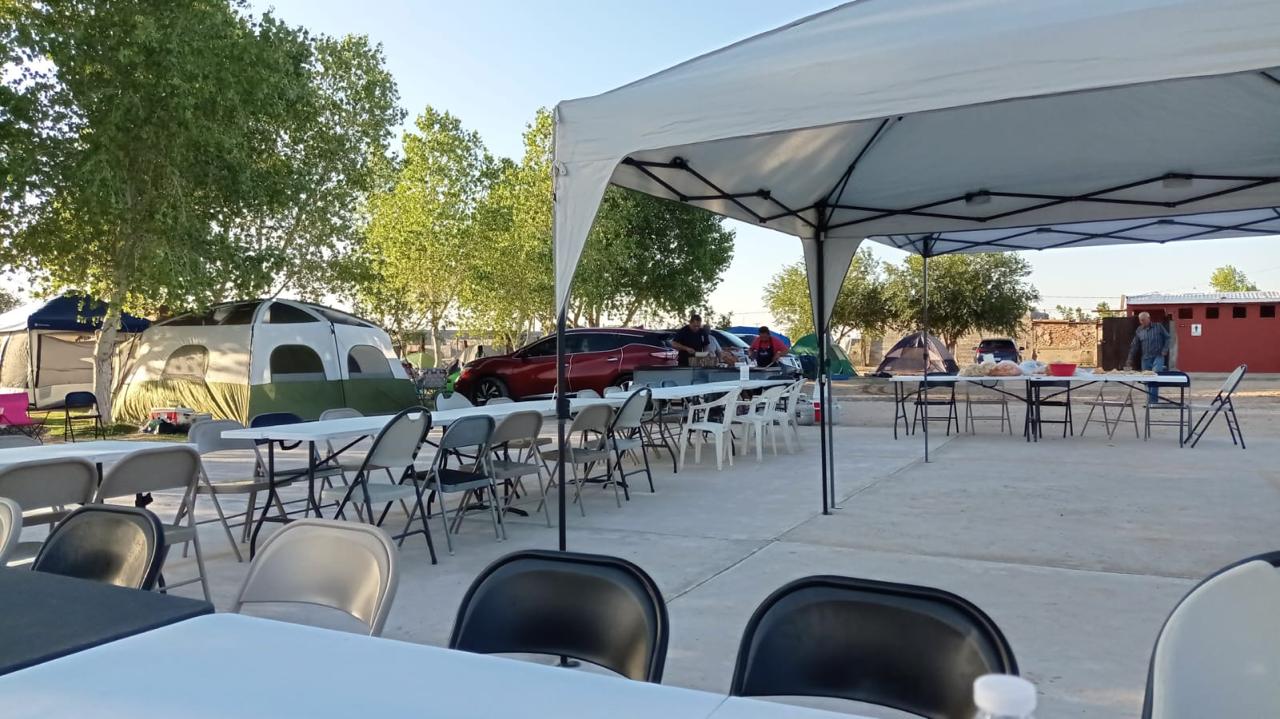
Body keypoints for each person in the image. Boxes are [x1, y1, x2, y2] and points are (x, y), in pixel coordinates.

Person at [1126, 311, 1171, 403]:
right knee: (1146, 380)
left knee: (1154, 377)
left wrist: (1165, 350)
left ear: (1149, 319)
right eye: (1140, 320)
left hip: (1158, 356)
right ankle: (1150, 399)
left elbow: (1168, 337)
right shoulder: (1139, 330)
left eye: (1143, 320)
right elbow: (1135, 345)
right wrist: (1130, 359)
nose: (1141, 322)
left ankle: (1153, 402)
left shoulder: (1158, 327)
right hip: (1145, 358)